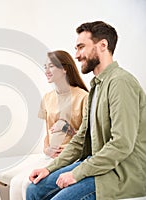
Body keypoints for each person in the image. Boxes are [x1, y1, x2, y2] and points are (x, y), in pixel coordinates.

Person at [26, 21, 146, 200]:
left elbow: (121, 144)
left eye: (81, 47)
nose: (76, 55)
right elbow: (80, 139)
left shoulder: (121, 83)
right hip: (98, 165)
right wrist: (49, 168)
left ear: (103, 45)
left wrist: (77, 173)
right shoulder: (96, 87)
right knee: (33, 190)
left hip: (120, 173)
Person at [9, 50, 89, 199]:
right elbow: (48, 132)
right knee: (16, 183)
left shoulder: (83, 97)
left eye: (51, 66)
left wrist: (67, 129)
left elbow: (88, 138)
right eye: (45, 66)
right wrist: (46, 149)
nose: (46, 71)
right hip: (50, 156)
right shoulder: (47, 98)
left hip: (71, 157)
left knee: (29, 186)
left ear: (64, 68)